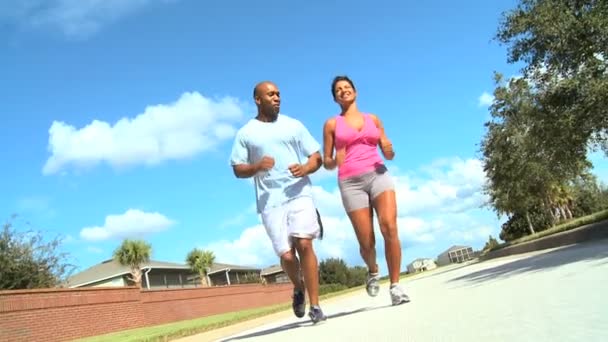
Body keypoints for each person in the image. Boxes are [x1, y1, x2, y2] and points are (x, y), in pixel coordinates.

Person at [229, 81, 328, 323]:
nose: (277, 98)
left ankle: (315, 306)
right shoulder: (246, 133)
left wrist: (305, 168)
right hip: (270, 201)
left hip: (299, 192)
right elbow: (237, 169)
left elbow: (317, 157)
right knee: (286, 256)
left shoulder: (293, 125)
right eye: (271, 94)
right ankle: (298, 286)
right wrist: (257, 166)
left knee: (304, 243)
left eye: (278, 94)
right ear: (257, 99)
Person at [322, 75, 410, 306]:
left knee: (389, 226)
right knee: (366, 243)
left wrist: (390, 151)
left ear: (355, 91)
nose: (344, 91)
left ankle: (395, 286)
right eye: (339, 90)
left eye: (347, 87)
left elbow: (388, 151)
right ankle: (372, 270)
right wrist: (335, 160)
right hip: (350, 182)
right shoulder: (332, 124)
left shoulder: (373, 119)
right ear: (335, 98)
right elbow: (327, 161)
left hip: (378, 174)